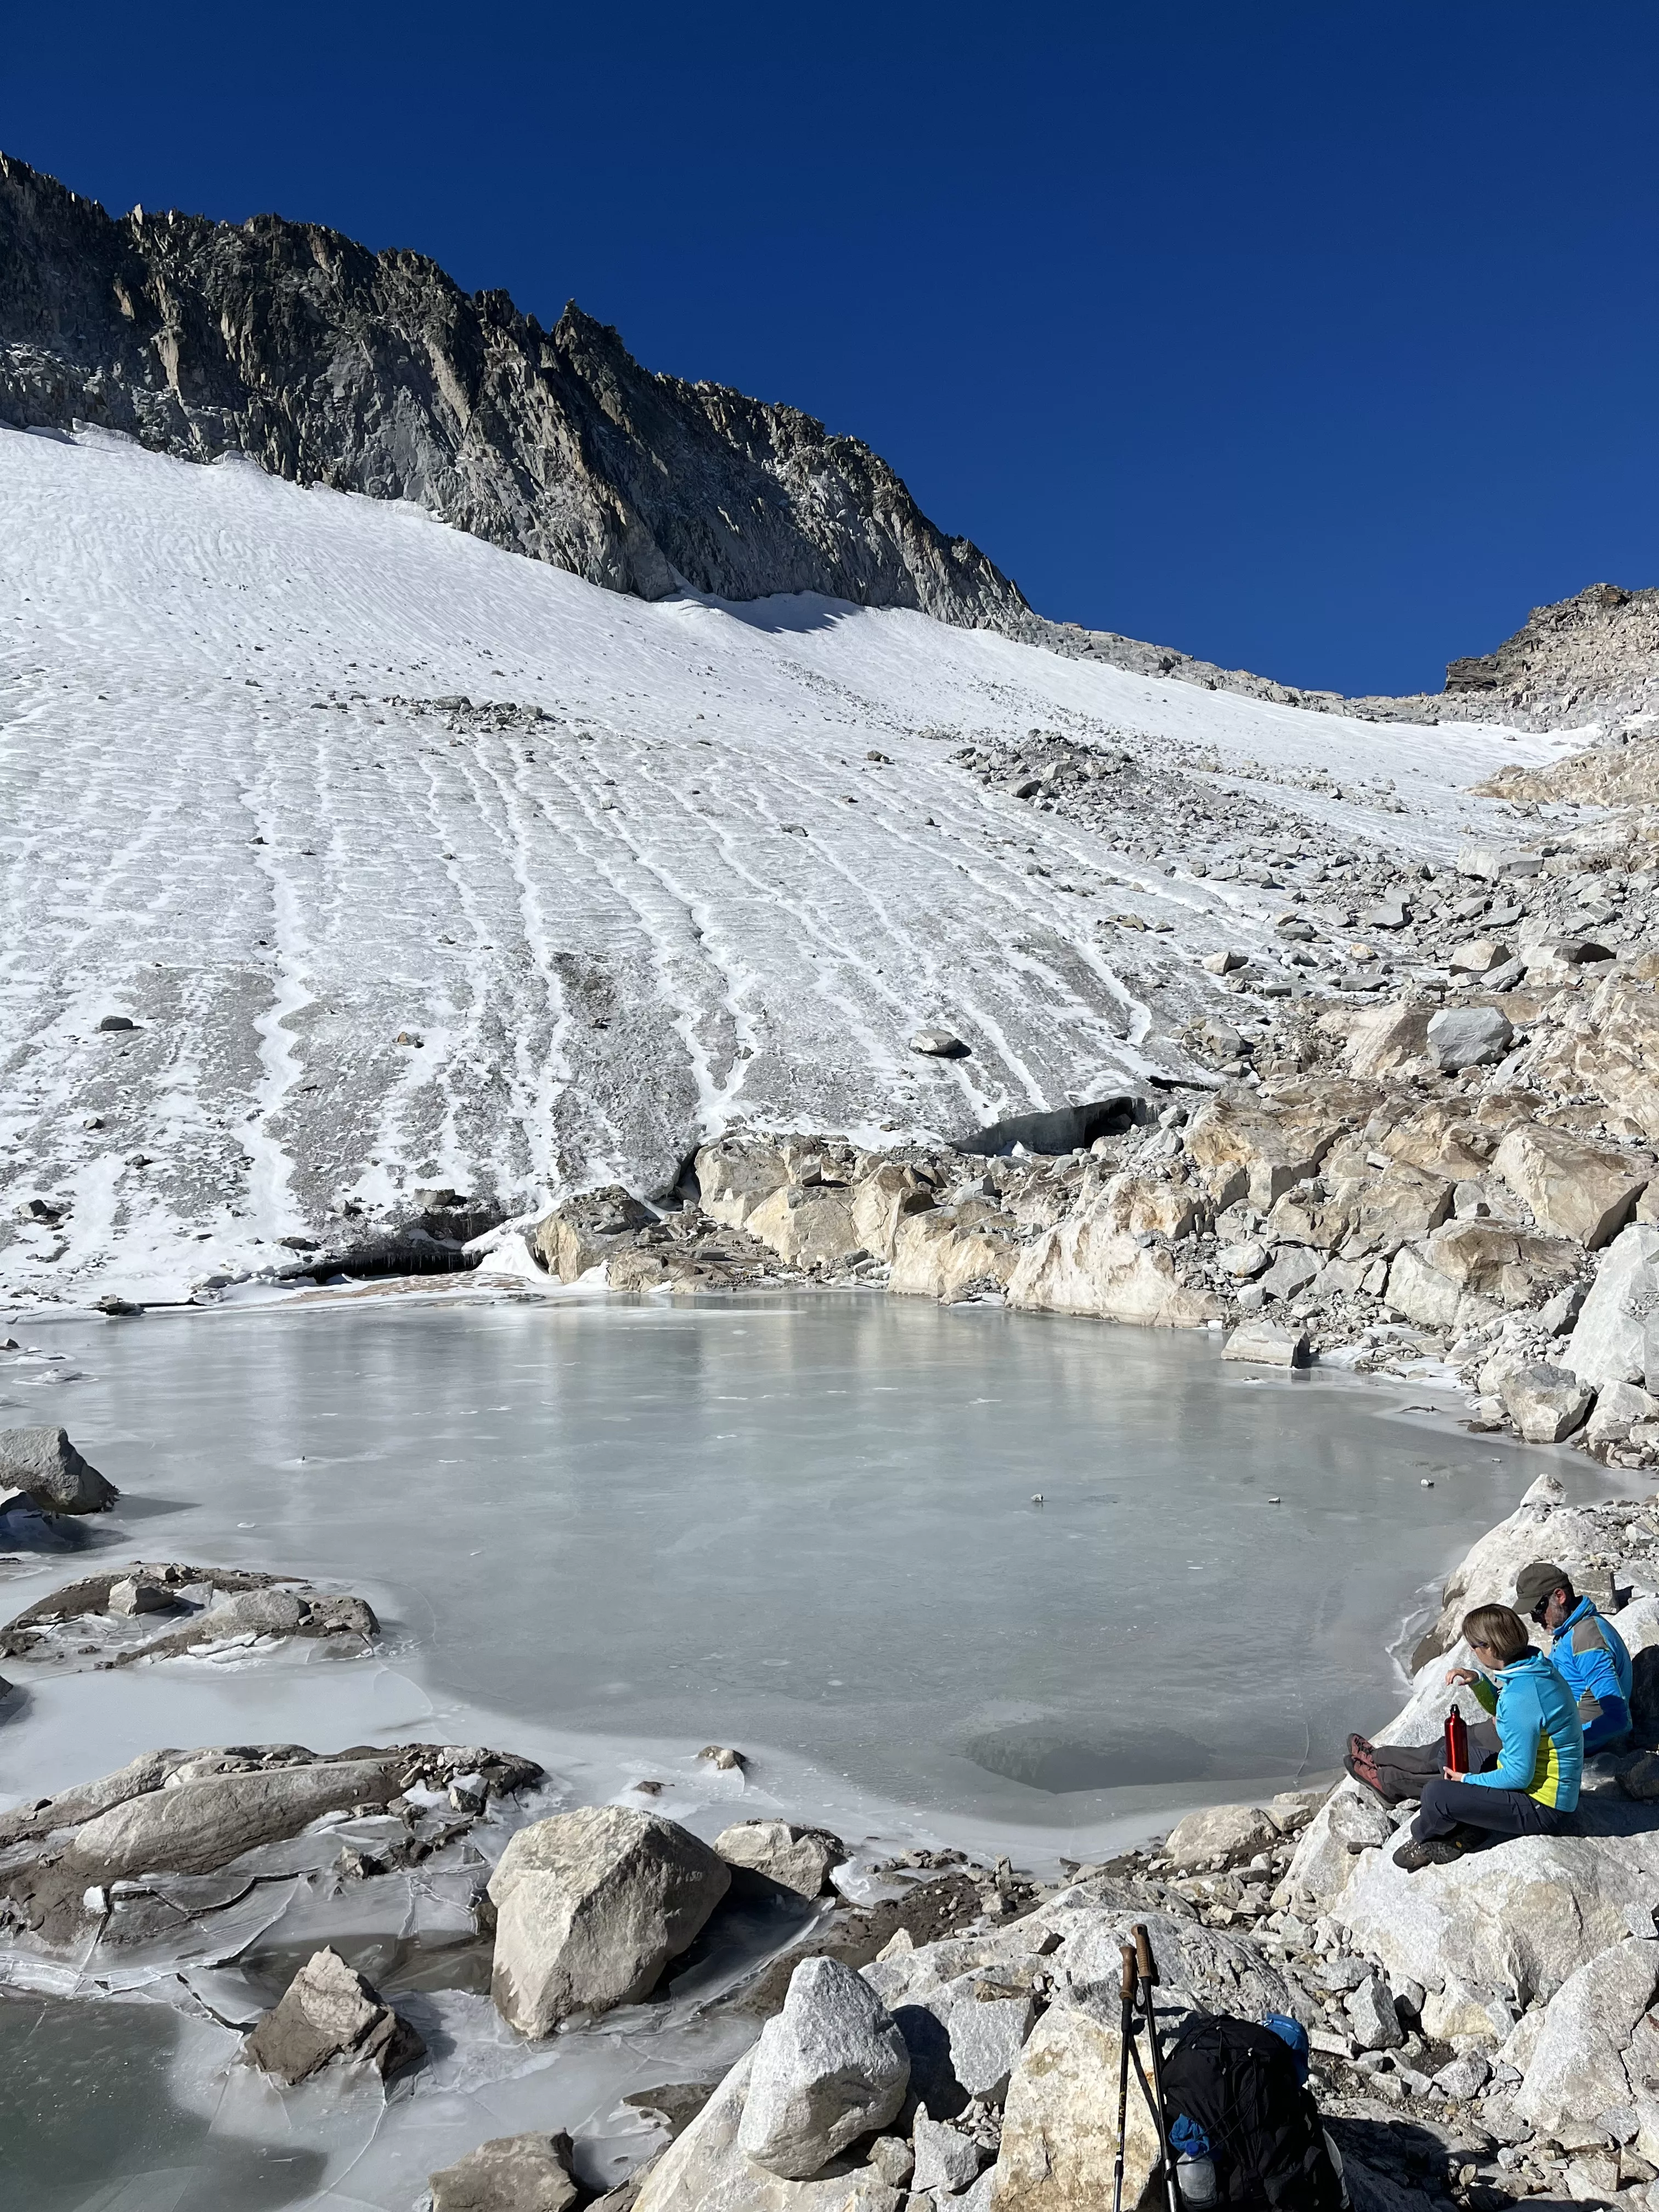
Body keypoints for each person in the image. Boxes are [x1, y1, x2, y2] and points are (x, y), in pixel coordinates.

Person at [1392, 1603, 1582, 1871]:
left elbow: (1518, 1776)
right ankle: (1475, 1819)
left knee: (1436, 1795)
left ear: (1491, 1647)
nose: (1472, 1650)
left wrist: (1467, 1780)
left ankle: (1428, 1836)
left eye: (1474, 1646)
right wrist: (1479, 1681)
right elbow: (1506, 1713)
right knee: (1451, 1752)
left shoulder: (1523, 1696)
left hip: (1543, 1807)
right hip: (1529, 1786)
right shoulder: (1533, 1668)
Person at [1514, 1559, 1632, 1754]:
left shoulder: (1587, 1639)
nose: (1535, 1619)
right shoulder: (1571, 1629)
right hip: (1560, 1721)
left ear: (1560, 1596)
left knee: (1458, 1750)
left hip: (1572, 1739)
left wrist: (1556, 1743)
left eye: (1537, 1609)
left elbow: (1618, 1719)